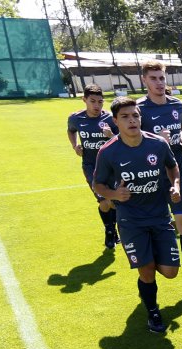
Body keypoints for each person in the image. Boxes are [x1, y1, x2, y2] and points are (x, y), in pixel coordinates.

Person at [92, 96, 182, 333]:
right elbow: (97, 185)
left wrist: (176, 186)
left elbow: (173, 167)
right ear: (115, 121)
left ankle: (147, 270)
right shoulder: (108, 151)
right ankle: (153, 311)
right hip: (131, 220)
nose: (132, 120)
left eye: (135, 115)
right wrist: (114, 194)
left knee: (171, 272)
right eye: (125, 117)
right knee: (148, 269)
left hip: (160, 216)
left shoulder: (157, 144)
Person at [137, 60, 182, 296]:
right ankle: (150, 270)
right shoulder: (139, 109)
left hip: (178, 170)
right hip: (150, 178)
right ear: (144, 80)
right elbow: (132, 143)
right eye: (154, 78)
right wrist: (157, 145)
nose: (159, 83)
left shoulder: (177, 104)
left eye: (162, 78)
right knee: (156, 225)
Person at [66, 84, 119, 249]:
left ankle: (114, 229)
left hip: (111, 166)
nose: (97, 106)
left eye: (100, 102)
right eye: (93, 101)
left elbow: (125, 139)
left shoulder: (110, 119)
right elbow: (71, 130)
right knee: (104, 202)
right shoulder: (76, 118)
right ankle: (110, 231)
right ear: (84, 100)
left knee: (114, 202)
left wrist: (111, 136)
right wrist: (75, 145)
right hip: (91, 166)